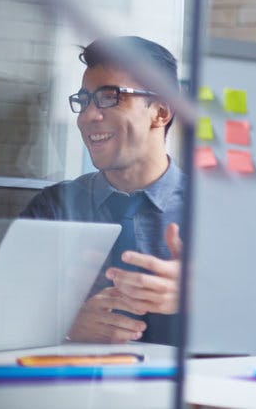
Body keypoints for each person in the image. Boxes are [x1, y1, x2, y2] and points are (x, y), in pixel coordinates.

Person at [21, 36, 184, 346]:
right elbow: (1, 315)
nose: (87, 116)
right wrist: (64, 328)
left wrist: (205, 304)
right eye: (84, 101)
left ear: (161, 111)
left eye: (110, 97)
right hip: (70, 390)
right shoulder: (54, 209)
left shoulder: (212, 215)